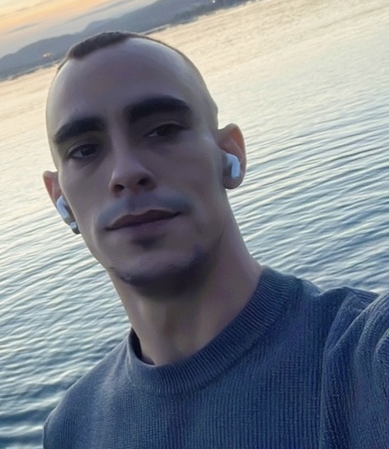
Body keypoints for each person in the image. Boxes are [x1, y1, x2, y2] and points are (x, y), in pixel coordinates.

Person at [41, 31, 389, 448]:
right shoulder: (72, 429)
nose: (126, 172)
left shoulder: (365, 359)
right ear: (60, 199)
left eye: (162, 130)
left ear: (230, 154)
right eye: (84, 150)